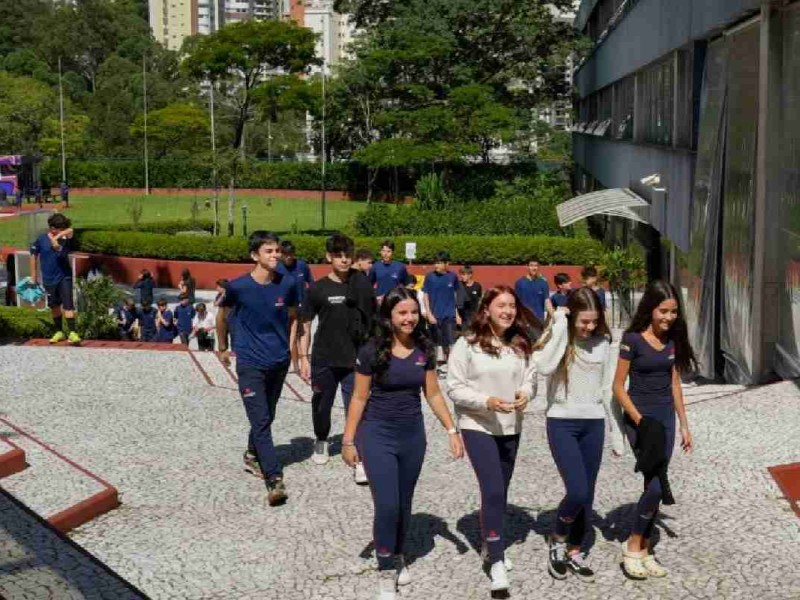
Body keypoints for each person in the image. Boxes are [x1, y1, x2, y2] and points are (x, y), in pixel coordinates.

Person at [341, 286, 463, 600]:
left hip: (412, 435)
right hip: (377, 434)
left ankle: (397, 554)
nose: (409, 318)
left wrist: (452, 431)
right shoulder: (371, 350)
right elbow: (358, 396)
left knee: (404, 503)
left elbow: (433, 393)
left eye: (413, 312)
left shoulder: (425, 347)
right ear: (389, 316)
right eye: (402, 313)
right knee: (387, 504)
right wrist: (348, 439)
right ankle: (385, 568)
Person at [446, 285, 542, 593]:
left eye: (512, 306)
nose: (508, 311)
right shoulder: (467, 344)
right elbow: (455, 388)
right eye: (501, 305)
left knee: (501, 490)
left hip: (511, 424)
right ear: (486, 309)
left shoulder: (521, 344)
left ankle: (490, 541)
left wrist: (525, 394)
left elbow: (531, 379)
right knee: (493, 488)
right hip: (478, 423)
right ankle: (497, 562)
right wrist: (486, 401)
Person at [536, 287, 624, 582]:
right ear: (572, 316)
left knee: (588, 493)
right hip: (562, 422)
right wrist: (560, 325)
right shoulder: (560, 336)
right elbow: (544, 367)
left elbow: (607, 390)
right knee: (577, 490)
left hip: (593, 423)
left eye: (593, 321)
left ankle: (574, 550)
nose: (588, 327)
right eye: (583, 321)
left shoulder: (604, 343)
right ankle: (557, 539)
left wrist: (616, 434)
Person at [612, 280, 697, 580]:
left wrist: (684, 425)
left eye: (674, 312)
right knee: (657, 485)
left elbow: (674, 383)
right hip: (640, 419)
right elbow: (617, 387)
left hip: (665, 419)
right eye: (664, 311)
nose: (669, 318)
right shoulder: (632, 340)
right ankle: (633, 547)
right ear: (651, 309)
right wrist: (639, 419)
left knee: (654, 483)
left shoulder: (673, 341)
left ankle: (645, 549)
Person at [216, 231, 298, 507]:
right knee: (261, 419)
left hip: (279, 361)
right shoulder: (238, 287)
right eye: (268, 251)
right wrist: (223, 347)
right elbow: (223, 315)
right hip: (250, 364)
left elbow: (293, 317)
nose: (275, 255)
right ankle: (274, 479)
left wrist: (293, 352)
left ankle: (252, 454)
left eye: (276, 251)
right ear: (255, 256)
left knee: (268, 415)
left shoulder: (287, 284)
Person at [298, 234, 376, 476]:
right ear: (328, 257)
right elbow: (306, 323)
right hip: (324, 356)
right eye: (338, 255)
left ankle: (357, 453)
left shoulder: (360, 283)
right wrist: (303, 356)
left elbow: (373, 317)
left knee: (358, 407)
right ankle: (321, 439)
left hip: (355, 357)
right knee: (322, 404)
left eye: (347, 255)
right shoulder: (318, 288)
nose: (344, 260)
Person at [29, 213, 81, 345]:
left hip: (64, 276)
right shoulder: (41, 240)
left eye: (63, 228)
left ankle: (73, 332)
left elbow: (71, 231)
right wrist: (33, 275)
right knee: (54, 306)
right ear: (52, 228)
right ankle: (59, 332)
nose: (62, 230)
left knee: (68, 305)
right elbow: (33, 254)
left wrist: (57, 238)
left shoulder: (65, 238)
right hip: (48, 278)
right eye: (59, 228)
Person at [277, 240, 313, 372]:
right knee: (288, 334)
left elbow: (311, 282)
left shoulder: (302, 265)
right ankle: (290, 360)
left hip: (303, 303)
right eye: (286, 254)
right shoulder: (277, 267)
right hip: (285, 306)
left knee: (304, 330)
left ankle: (304, 358)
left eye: (291, 254)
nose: (288, 257)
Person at [421, 251, 461, 373]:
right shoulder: (429, 277)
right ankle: (435, 366)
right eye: (435, 262)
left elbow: (455, 295)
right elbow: (425, 295)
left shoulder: (453, 277)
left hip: (449, 315)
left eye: (439, 262)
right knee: (435, 342)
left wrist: (457, 313)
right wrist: (428, 313)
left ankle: (450, 367)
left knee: (449, 342)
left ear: (446, 264)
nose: (436, 265)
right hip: (434, 315)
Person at [514, 257, 553, 323]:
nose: (534, 268)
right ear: (527, 267)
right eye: (531, 265)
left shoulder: (543, 283)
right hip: (524, 319)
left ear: (538, 267)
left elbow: (547, 301)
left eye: (536, 266)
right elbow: (516, 302)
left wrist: (552, 316)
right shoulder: (520, 282)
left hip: (539, 319)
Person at [456, 265, 482, 330]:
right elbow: (454, 302)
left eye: (464, 274)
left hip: (473, 315)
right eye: (461, 274)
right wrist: (457, 316)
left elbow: (479, 300)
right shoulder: (459, 285)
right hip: (462, 316)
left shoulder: (477, 286)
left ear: (470, 274)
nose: (462, 276)